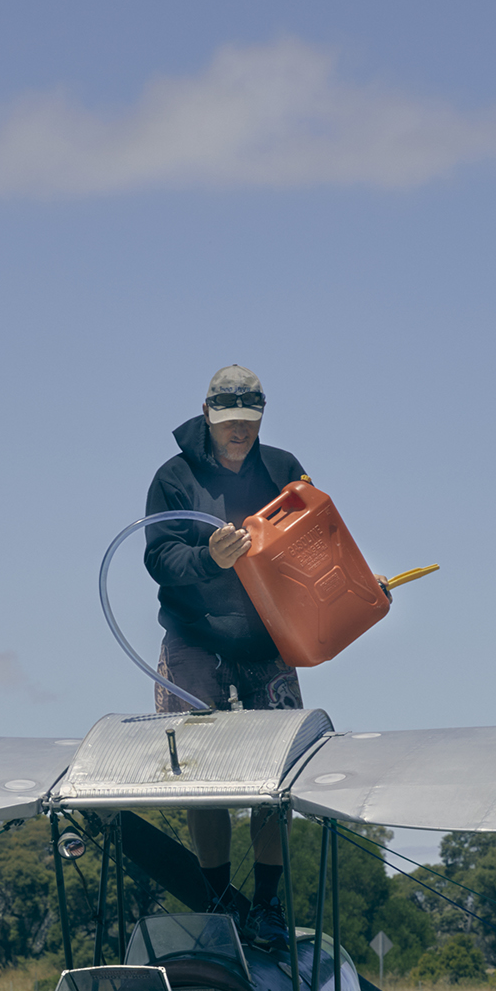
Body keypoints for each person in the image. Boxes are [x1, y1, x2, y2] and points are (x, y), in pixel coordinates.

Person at [143, 364, 305, 942]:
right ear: (207, 414)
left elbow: (317, 541)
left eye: (249, 420)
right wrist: (209, 559)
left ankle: (267, 906)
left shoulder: (283, 469)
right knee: (199, 776)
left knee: (277, 775)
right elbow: (158, 558)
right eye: (230, 420)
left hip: (266, 638)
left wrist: (355, 587)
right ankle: (217, 902)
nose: (240, 431)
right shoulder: (174, 476)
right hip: (194, 637)